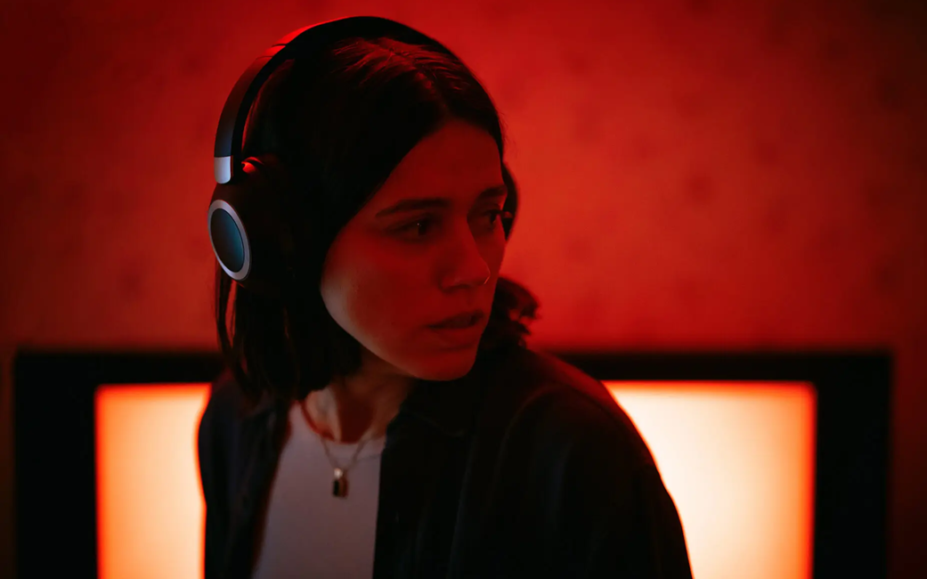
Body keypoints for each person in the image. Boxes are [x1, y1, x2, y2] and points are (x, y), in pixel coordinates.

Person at [197, 16, 693, 579]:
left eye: (488, 214)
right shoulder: (234, 419)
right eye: (418, 226)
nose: (475, 269)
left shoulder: (573, 452)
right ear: (286, 242)